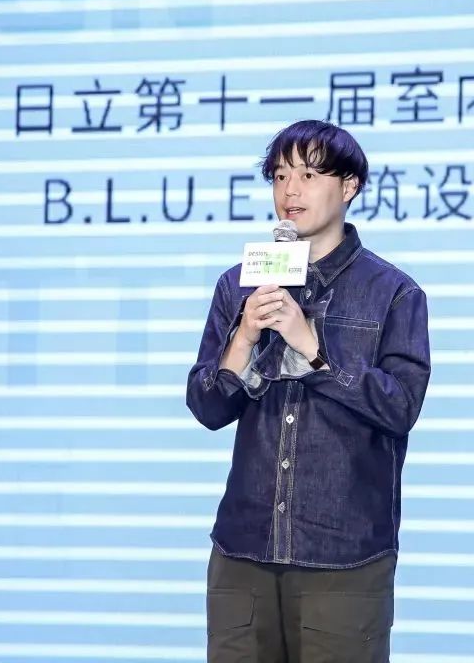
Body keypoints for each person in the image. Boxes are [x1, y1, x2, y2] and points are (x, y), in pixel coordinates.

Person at [185, 119, 432, 662]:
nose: (289, 190)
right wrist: (245, 337)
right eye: (279, 176)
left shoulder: (395, 293)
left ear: (350, 187)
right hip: (244, 551)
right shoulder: (240, 284)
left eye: (308, 175)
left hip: (343, 557)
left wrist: (315, 350)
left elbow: (400, 407)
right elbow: (207, 406)